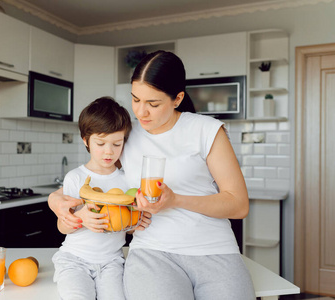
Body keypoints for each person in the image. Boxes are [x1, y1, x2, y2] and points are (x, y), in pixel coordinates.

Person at [49, 50, 255, 299]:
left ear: (177, 98)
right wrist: (56, 202)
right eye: (135, 99)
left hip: (214, 249)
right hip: (151, 252)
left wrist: (176, 200)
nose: (141, 112)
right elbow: (90, 178)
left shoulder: (207, 130)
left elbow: (238, 204)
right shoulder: (124, 135)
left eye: (153, 104)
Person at [52, 96, 151, 300]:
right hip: (74, 260)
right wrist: (81, 219)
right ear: (86, 140)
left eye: (117, 143)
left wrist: (136, 223)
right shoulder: (76, 178)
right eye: (101, 143)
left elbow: (126, 227)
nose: (109, 151)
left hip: (112, 262)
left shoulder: (127, 181)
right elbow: (62, 227)